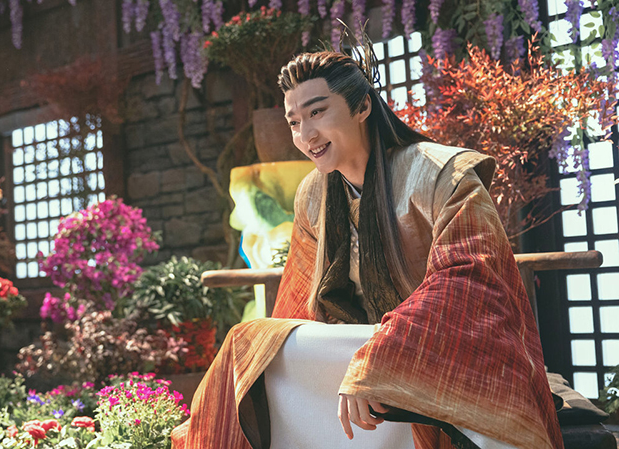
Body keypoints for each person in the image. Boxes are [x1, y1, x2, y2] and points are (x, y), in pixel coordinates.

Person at [171, 40, 563, 449]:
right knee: (253, 346)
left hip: (447, 346)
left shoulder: (441, 173)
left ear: (362, 107)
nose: (306, 134)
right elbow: (299, 305)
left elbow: (470, 277)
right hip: (363, 346)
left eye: (317, 112)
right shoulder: (312, 195)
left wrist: (384, 353)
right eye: (293, 122)